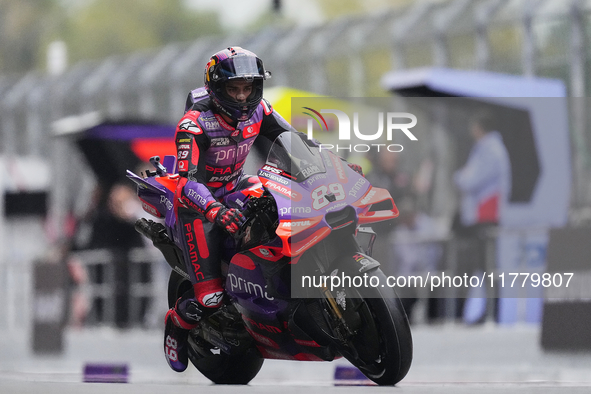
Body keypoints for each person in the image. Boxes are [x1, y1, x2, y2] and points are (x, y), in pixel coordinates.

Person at [164, 47, 362, 372]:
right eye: (233, 89)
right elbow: (185, 183)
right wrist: (213, 210)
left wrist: (336, 166)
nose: (242, 97)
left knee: (279, 207)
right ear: (217, 89)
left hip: (237, 186)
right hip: (198, 208)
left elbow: (294, 140)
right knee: (210, 298)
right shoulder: (194, 125)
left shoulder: (260, 110)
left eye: (248, 88)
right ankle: (177, 322)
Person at [452, 111, 511, 324]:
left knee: (487, 266)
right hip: (484, 214)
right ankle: (489, 312)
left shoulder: (489, 149)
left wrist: (459, 176)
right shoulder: (490, 149)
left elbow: (470, 179)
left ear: (479, 127)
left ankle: (491, 313)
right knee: (485, 266)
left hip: (485, 215)